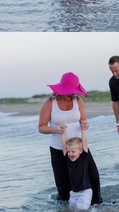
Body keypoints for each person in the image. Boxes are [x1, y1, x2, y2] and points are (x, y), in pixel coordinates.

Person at [38, 72, 102, 204]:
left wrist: (85, 124)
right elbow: (41, 127)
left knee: (93, 176)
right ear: (62, 90)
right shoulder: (50, 104)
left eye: (74, 91)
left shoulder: (77, 100)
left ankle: (97, 204)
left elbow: (83, 120)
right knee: (63, 184)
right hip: (58, 148)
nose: (73, 94)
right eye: (70, 91)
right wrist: (55, 129)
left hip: (79, 148)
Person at [61, 130, 94, 211]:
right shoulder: (68, 160)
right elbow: (64, 145)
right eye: (69, 151)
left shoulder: (83, 158)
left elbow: (85, 142)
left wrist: (83, 130)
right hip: (74, 193)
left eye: (73, 151)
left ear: (80, 150)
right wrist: (62, 134)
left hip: (85, 191)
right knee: (72, 210)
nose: (70, 153)